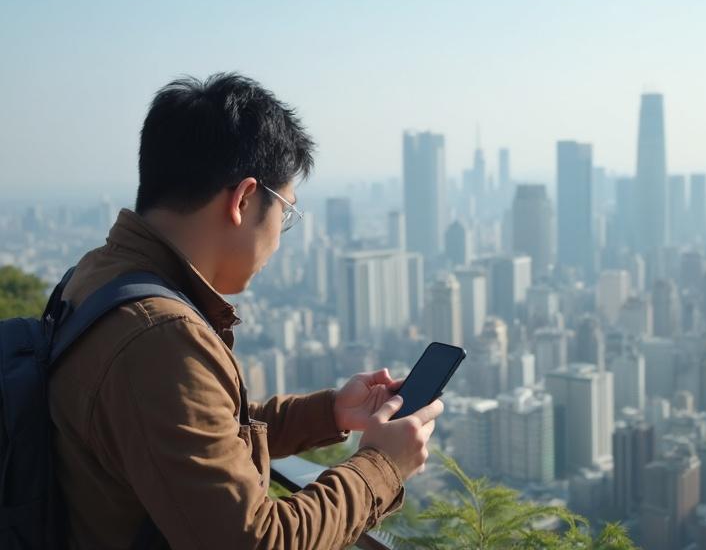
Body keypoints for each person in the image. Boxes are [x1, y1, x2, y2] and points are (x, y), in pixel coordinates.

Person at [48, 73, 443, 548]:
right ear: (243, 199)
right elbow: (259, 541)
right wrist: (383, 465)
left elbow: (195, 432)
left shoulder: (98, 276)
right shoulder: (159, 338)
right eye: (286, 213)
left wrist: (331, 412)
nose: (280, 237)